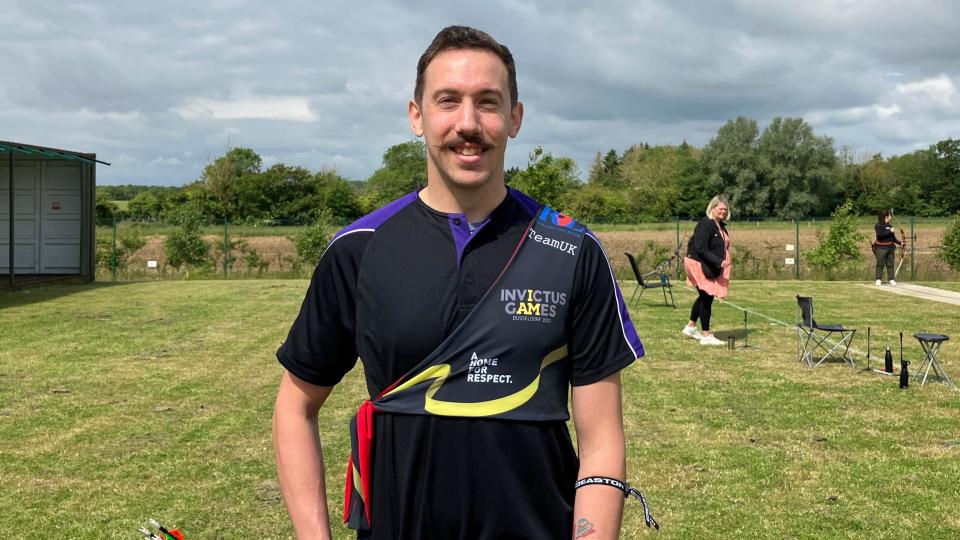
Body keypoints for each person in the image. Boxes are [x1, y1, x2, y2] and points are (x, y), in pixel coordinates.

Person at [272, 26, 649, 540]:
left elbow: (602, 438)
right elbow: (296, 406)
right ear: (416, 116)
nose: (467, 123)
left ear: (514, 118)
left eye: (488, 103)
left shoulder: (573, 252)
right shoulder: (359, 249)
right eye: (447, 101)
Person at [681, 196, 732, 346]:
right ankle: (706, 335)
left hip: (708, 264)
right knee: (707, 296)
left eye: (725, 209)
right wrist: (719, 261)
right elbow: (701, 248)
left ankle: (691, 327)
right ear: (712, 208)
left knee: (705, 295)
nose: (723, 211)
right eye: (720, 208)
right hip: (699, 263)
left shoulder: (719, 225)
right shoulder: (706, 224)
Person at [873, 210, 901, 286]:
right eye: (890, 215)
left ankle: (891, 279)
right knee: (880, 264)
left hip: (890, 247)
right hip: (881, 248)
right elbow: (880, 235)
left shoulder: (890, 226)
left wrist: (901, 243)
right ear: (886, 217)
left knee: (890, 264)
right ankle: (878, 279)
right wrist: (889, 231)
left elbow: (893, 238)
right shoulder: (878, 225)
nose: (891, 217)